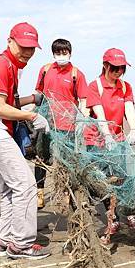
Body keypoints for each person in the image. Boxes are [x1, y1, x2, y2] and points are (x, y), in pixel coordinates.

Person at [0, 22, 51, 259]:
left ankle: (4, 241)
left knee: (8, 188)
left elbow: (8, 103)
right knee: (26, 186)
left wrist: (29, 104)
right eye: (23, 47)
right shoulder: (0, 64)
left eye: (32, 48)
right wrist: (32, 116)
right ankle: (23, 244)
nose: (27, 52)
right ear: (9, 42)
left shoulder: (10, 67)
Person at [84, 48, 135, 232]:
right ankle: (112, 217)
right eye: (115, 68)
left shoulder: (125, 87)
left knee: (122, 176)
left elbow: (129, 109)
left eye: (122, 68)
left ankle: (129, 213)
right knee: (103, 181)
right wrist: (106, 134)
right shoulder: (95, 86)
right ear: (105, 65)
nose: (118, 72)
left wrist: (134, 130)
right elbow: (99, 112)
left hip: (118, 139)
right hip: (96, 140)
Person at [33, 39, 90, 209]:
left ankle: (67, 193)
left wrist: (83, 119)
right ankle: (40, 193)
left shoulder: (76, 74)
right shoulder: (45, 70)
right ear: (53, 54)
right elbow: (38, 94)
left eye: (64, 53)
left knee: (67, 162)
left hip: (68, 125)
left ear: (70, 53)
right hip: (46, 122)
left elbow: (83, 100)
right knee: (41, 158)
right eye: (58, 53)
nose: (61, 56)